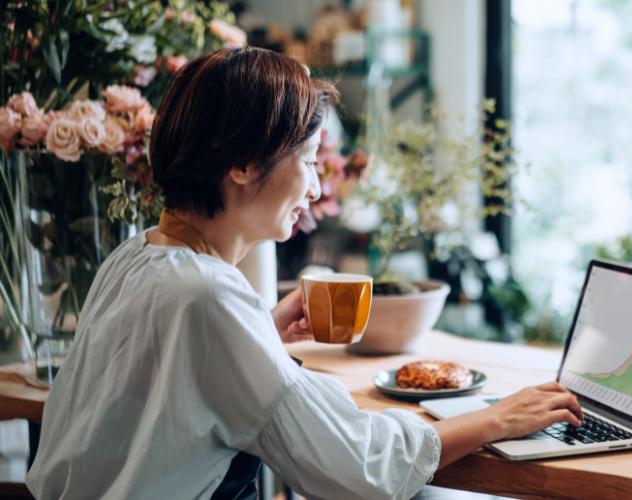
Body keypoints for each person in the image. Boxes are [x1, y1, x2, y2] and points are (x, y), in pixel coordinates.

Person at [25, 47, 583, 500]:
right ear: (242, 165)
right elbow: (352, 467)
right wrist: (497, 419)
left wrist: (258, 332)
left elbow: (158, 392)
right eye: (310, 160)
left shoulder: (134, 256)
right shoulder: (208, 295)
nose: (316, 187)